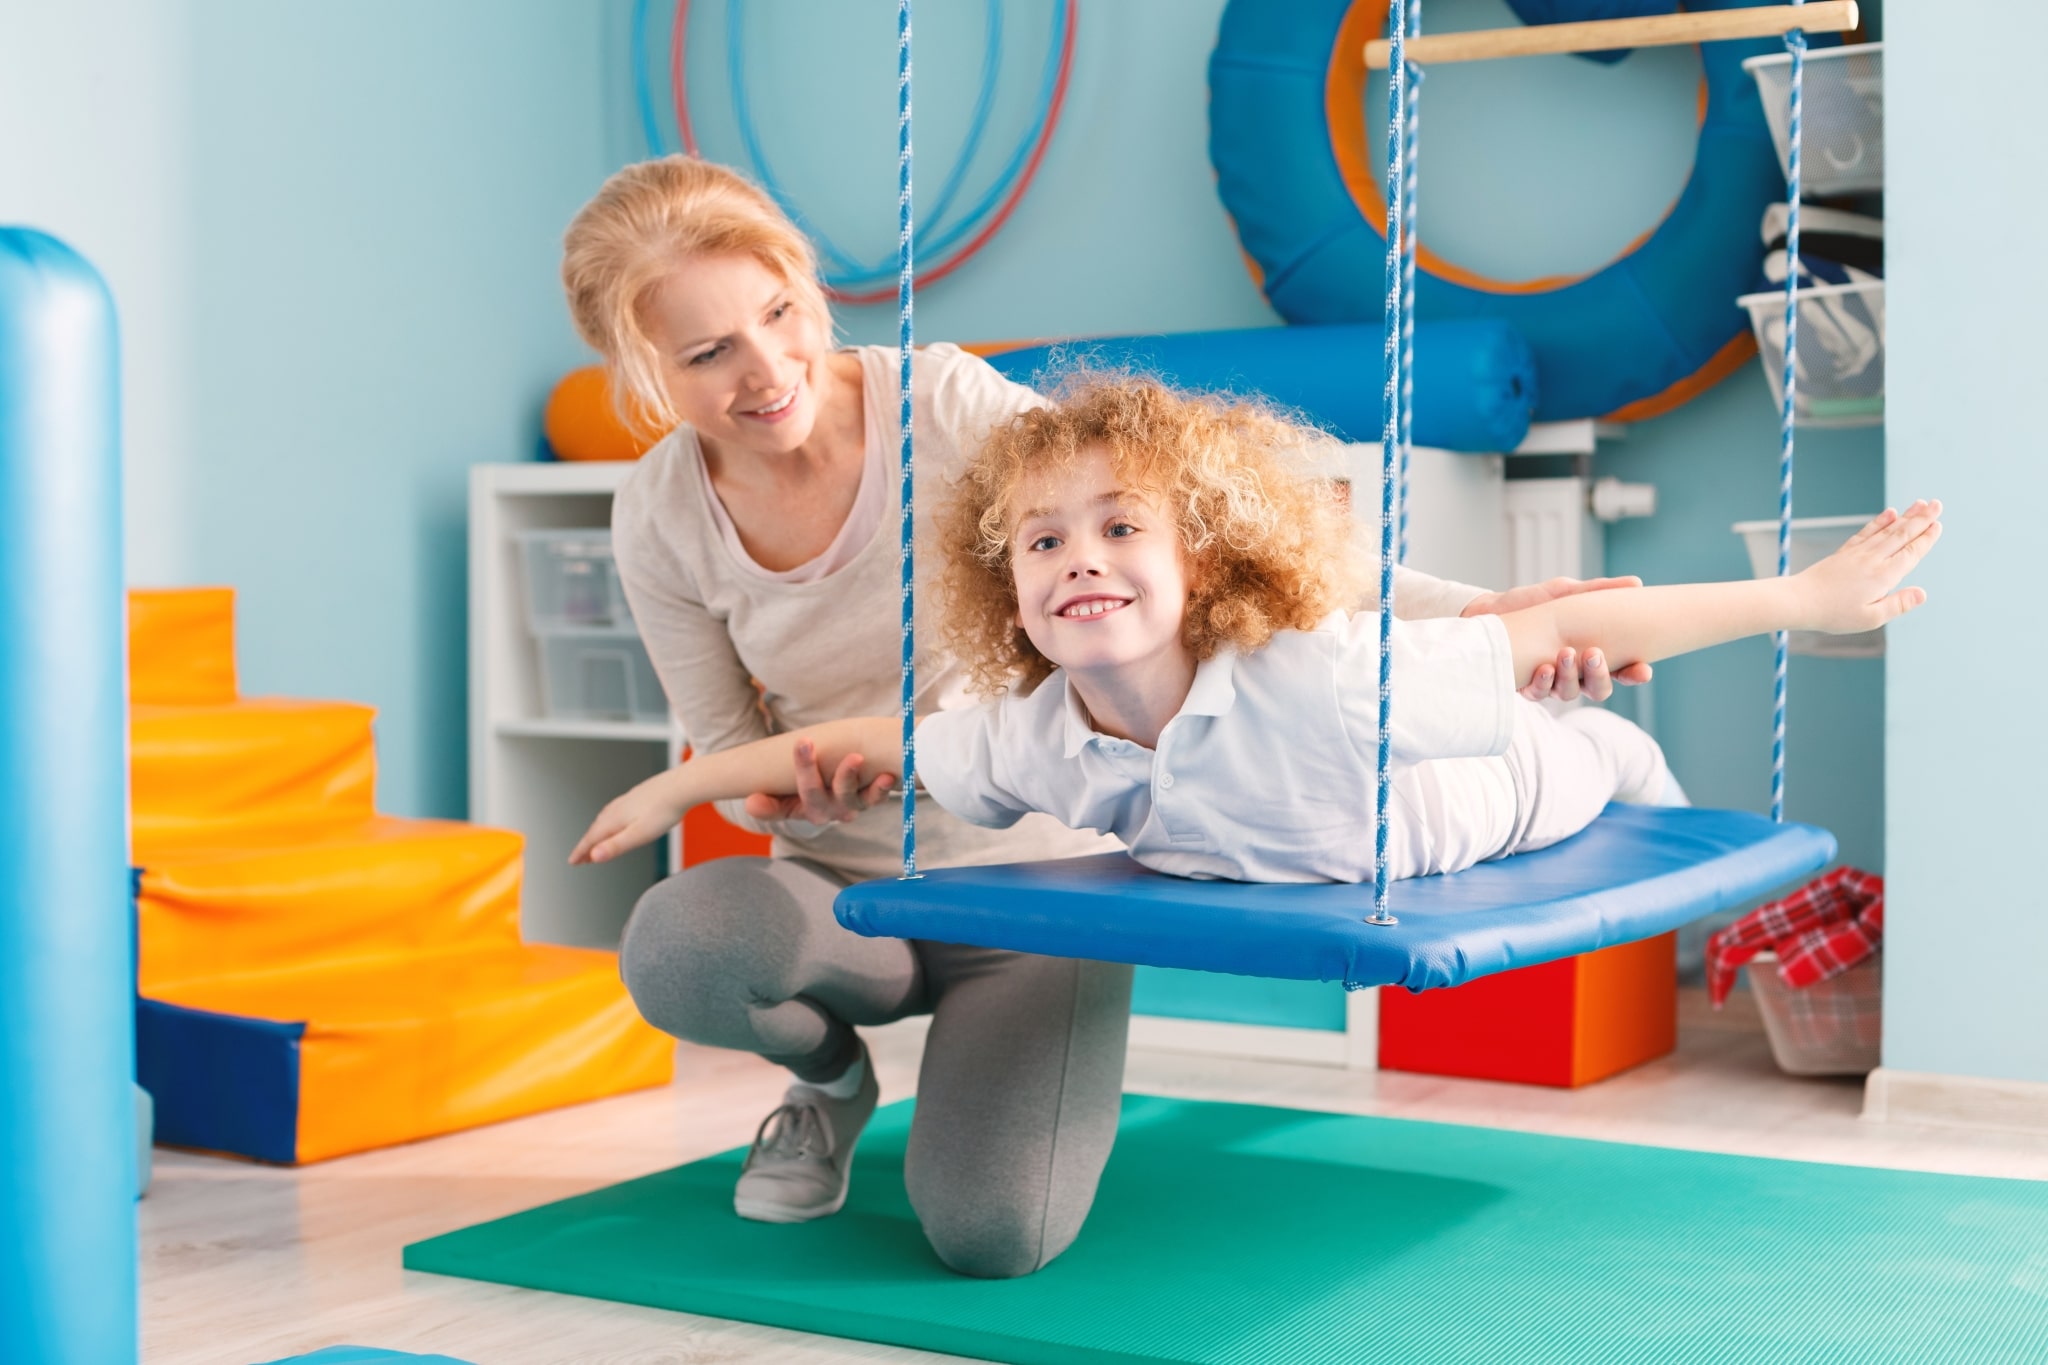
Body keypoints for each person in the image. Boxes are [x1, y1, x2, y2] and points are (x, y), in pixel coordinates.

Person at [560, 156, 1649, 1278]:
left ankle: (996, 1084)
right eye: (708, 353)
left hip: (1037, 883)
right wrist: (778, 785)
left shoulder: (935, 402)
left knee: (991, 1236)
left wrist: (1481, 610)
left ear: (804, 286)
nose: (768, 367)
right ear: (642, 370)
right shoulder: (656, 513)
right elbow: (728, 751)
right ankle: (830, 1084)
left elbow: (1211, 541)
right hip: (843, 893)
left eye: (779, 313)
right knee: (681, 946)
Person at [573, 377, 1939, 889]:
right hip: (1330, 823)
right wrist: (679, 781)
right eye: (1044, 543)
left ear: (1202, 560)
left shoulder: (1316, 675)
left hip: (1488, 797)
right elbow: (872, 740)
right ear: (1008, 589)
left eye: (1122, 531)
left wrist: (1805, 601)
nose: (1080, 563)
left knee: (1583, 752)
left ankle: (1627, 763)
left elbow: (1571, 620)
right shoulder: (1037, 736)